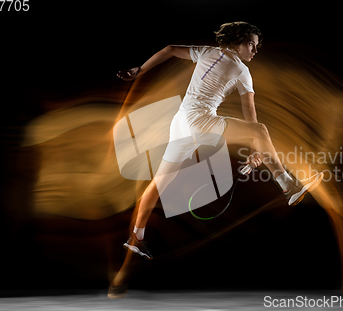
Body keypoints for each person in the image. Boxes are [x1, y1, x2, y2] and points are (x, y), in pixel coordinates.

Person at [108, 22, 323, 298]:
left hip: (181, 125)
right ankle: (287, 185)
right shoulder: (243, 72)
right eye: (252, 44)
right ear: (238, 41)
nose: (255, 50)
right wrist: (257, 145)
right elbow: (251, 117)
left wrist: (139, 69)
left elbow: (171, 49)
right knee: (260, 131)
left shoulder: (205, 52)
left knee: (157, 184)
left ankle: (136, 237)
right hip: (201, 122)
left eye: (257, 46)